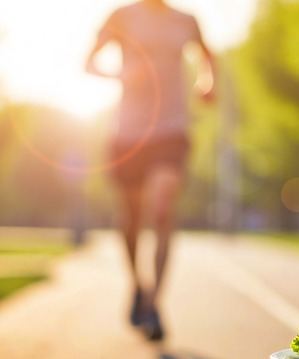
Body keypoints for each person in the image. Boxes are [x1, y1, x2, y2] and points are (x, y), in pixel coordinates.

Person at [85, 0, 215, 340]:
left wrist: (207, 82)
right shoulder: (120, 16)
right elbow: (88, 64)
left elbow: (207, 54)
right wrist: (122, 74)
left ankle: (154, 304)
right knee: (130, 217)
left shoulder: (186, 20)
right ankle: (138, 286)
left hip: (171, 129)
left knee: (160, 209)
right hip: (128, 132)